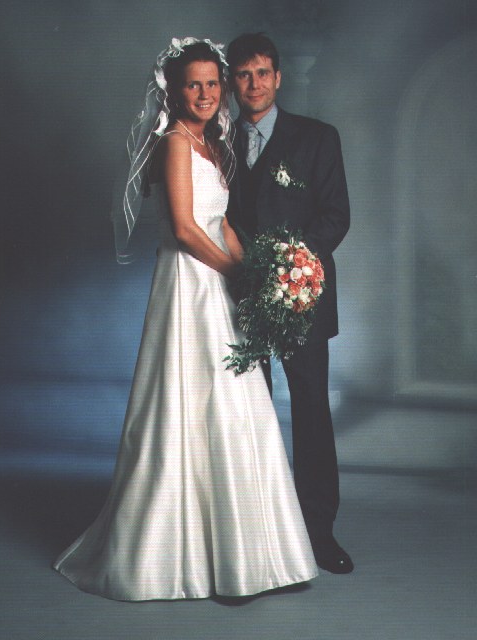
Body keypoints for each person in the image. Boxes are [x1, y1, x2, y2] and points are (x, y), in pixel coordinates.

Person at [52, 37, 318, 601]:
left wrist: (258, 273)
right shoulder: (175, 141)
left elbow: (222, 224)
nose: (204, 94)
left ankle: (252, 557)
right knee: (196, 401)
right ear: (173, 91)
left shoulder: (212, 142)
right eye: (193, 85)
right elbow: (185, 229)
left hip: (218, 277)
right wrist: (236, 273)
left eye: (212, 84)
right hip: (190, 284)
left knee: (236, 405)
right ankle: (198, 559)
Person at [226, 33, 353, 574]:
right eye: (243, 74)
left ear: (278, 78)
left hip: (300, 294)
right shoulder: (217, 140)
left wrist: (290, 264)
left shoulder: (318, 138)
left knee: (311, 410)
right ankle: (256, 530)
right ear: (232, 82)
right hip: (236, 296)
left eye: (262, 73)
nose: (253, 84)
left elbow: (336, 215)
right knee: (245, 411)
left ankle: (318, 531)